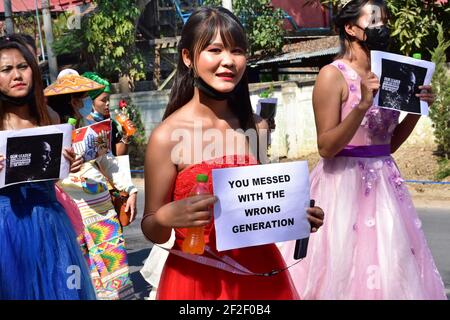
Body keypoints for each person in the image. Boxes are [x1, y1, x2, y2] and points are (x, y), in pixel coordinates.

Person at [141, 6, 324, 300]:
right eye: (215, 50)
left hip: (260, 276)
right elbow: (153, 227)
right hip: (196, 280)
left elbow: (260, 208)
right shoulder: (166, 137)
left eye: (237, 50)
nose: (228, 61)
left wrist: (296, 216)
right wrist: (166, 217)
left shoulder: (257, 128)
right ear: (188, 57)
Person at [279, 0, 446, 299]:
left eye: (385, 22)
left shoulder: (391, 72)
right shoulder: (333, 75)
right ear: (350, 28)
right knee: (343, 271)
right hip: (342, 186)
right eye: (374, 21)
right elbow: (326, 147)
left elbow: (387, 145)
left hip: (385, 185)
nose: (382, 28)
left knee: (392, 269)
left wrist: (418, 110)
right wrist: (362, 105)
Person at [0, 37, 95, 299]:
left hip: (50, 224)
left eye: (23, 66)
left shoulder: (49, 118)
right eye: (6, 69)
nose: (17, 75)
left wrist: (70, 163)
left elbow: (51, 174)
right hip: (5, 228)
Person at [49, 72, 139, 300]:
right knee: (81, 275)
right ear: (72, 101)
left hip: (103, 212)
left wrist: (130, 189)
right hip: (70, 216)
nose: (86, 101)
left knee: (115, 274)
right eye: (83, 97)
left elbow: (108, 161)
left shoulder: (94, 129)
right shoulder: (48, 134)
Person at [82, 72, 132, 156]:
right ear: (90, 101)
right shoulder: (80, 124)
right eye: (103, 100)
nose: (108, 103)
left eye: (108, 99)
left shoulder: (110, 123)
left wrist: (125, 135)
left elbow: (117, 155)